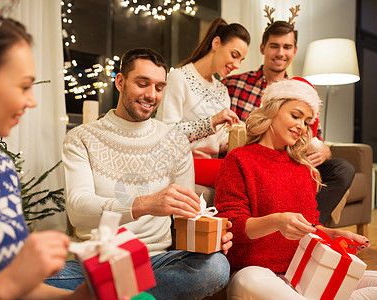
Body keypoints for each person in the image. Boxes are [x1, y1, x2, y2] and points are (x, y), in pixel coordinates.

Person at [57, 48, 232, 299]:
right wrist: (144, 204)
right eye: (142, 84)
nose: (151, 95)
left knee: (215, 267)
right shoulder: (82, 138)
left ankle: (111, 293)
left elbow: (189, 216)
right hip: (99, 261)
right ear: (120, 81)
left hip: (156, 261)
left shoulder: (174, 141)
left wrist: (214, 234)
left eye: (159, 87)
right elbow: (78, 211)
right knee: (26, 277)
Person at [0, 6, 92, 299]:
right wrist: (12, 281)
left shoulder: (0, 167)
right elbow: (10, 284)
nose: (32, 101)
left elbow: (23, 289)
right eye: (24, 86)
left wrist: (79, 296)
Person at [214, 77, 377, 300]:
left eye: (307, 121)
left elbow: (310, 227)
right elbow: (233, 226)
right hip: (259, 273)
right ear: (272, 110)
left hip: (304, 273)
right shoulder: (239, 160)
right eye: (296, 115)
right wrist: (277, 221)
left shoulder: (303, 168)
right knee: (247, 281)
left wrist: (333, 234)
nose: (302, 126)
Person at [223, 18, 355, 224]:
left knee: (343, 168)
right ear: (262, 48)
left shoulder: (303, 92)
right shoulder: (234, 84)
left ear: (294, 50)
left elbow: (313, 137)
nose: (280, 53)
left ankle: (308, 226)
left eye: (287, 47)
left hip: (291, 161)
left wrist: (324, 151)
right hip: (256, 163)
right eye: (274, 46)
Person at [156, 18, 250, 159]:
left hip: (208, 170)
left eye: (240, 60)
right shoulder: (179, 78)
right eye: (234, 55)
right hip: (178, 167)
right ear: (216, 43)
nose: (237, 65)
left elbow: (218, 144)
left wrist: (245, 133)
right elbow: (166, 133)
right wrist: (212, 121)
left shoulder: (222, 90)